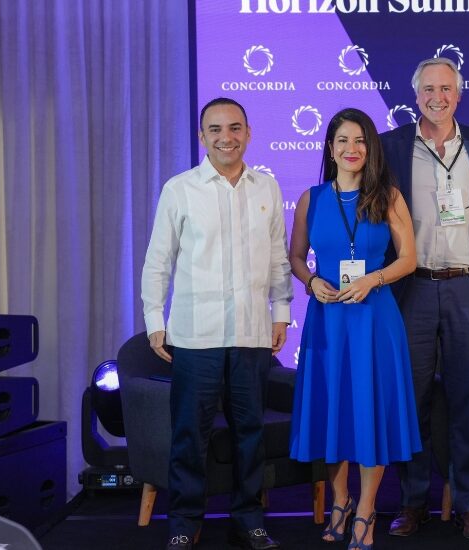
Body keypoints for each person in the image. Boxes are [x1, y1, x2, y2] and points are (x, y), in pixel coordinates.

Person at [141, 97, 292, 550]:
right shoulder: (180, 189)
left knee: (250, 433)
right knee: (191, 435)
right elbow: (158, 260)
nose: (226, 137)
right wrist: (154, 319)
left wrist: (281, 313)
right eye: (216, 129)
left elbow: (278, 257)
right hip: (195, 335)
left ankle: (248, 518)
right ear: (202, 137)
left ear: (248, 132)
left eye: (235, 128)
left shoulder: (266, 187)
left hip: (251, 332)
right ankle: (184, 520)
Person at [379, 58, 469, 540]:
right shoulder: (390, 146)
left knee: (466, 398)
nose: (438, 97)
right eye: (429, 89)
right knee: (410, 400)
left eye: (446, 88)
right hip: (410, 286)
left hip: (467, 285)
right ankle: (413, 502)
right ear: (416, 95)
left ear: (459, 94)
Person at [289, 108, 421, 550]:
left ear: (371, 148)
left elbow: (409, 259)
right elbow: (295, 257)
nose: (352, 148)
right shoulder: (311, 199)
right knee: (334, 411)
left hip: (374, 320)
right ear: (330, 148)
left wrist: (373, 279)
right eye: (343, 140)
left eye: (360, 140)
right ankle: (340, 502)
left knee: (370, 413)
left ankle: (366, 509)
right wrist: (311, 282)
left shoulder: (389, 196)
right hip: (327, 322)